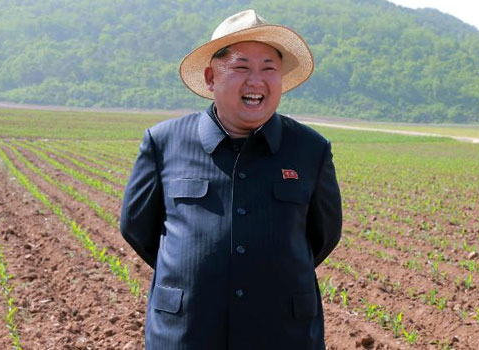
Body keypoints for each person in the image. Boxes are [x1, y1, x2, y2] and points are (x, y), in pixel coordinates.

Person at [120, 9, 342, 350]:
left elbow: (322, 235)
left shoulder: (310, 150)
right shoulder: (164, 143)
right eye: (241, 68)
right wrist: (198, 273)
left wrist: (262, 269)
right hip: (187, 332)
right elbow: (138, 228)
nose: (256, 81)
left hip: (283, 333)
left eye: (269, 68)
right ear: (211, 78)